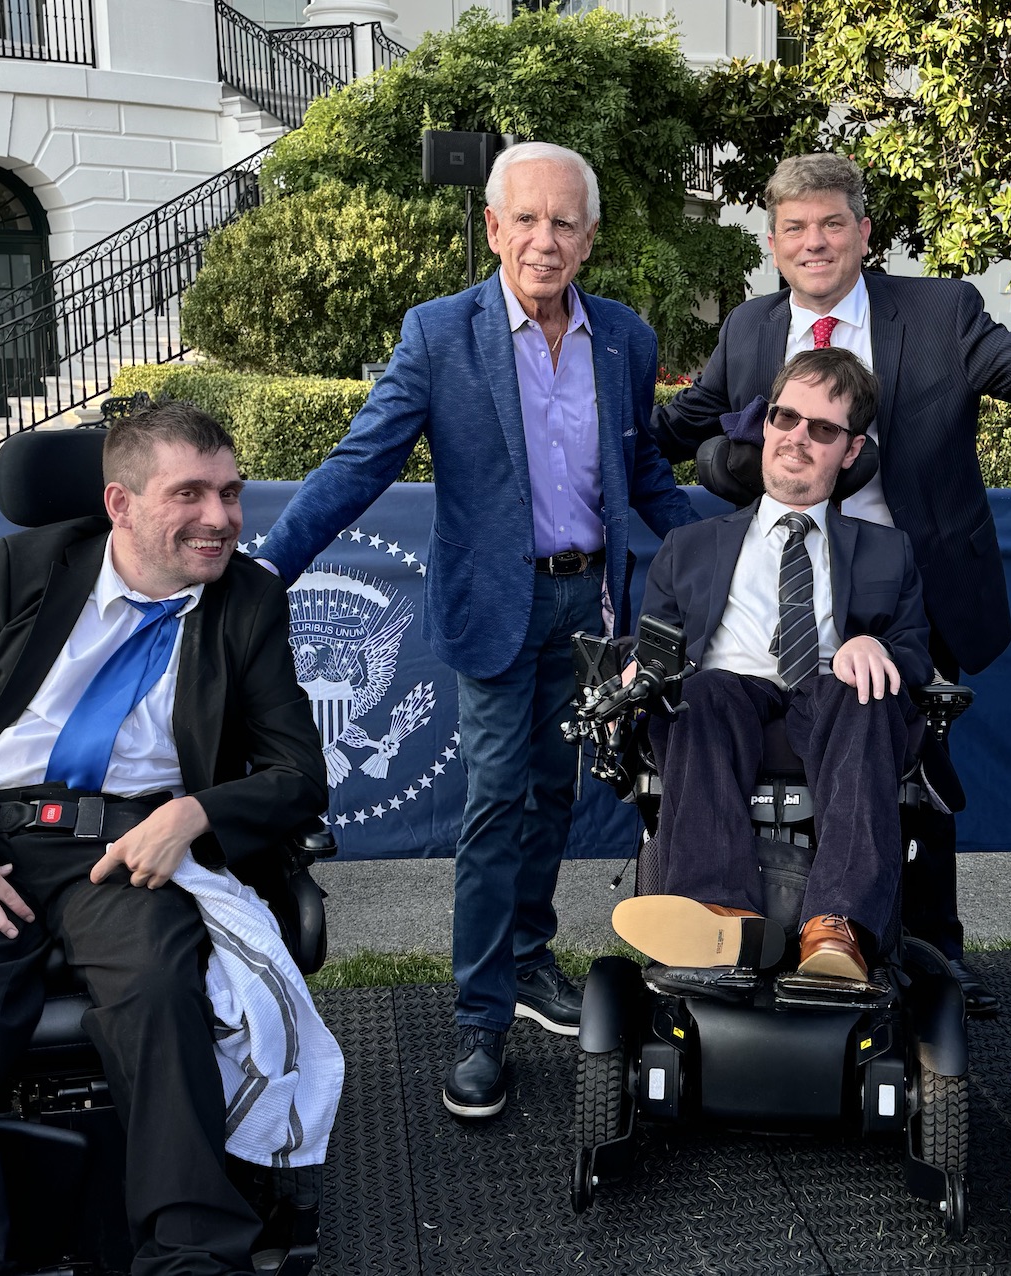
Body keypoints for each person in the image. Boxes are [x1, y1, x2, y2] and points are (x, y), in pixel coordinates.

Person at [653, 152, 1011, 1014]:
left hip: (898, 582)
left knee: (911, 766)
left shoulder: (936, 309)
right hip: (785, 568)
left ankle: (926, 953)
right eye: (796, 229)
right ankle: (730, 918)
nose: (815, 243)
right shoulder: (749, 328)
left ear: (862, 233)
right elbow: (691, 419)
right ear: (772, 243)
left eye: (832, 224)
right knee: (713, 711)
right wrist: (581, 444)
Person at [256, 141, 698, 1120]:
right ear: (494, 228)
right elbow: (360, 462)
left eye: (565, 222)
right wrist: (265, 566)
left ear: (591, 236)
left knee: (553, 795)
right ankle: (480, 1020)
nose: (545, 240)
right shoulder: (439, 333)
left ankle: (533, 962)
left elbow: (651, 485)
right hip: (498, 608)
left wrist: (752, 550)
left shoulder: (623, 336)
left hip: (594, 607)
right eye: (526, 220)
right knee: (497, 801)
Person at [0, 403, 329, 1276]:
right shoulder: (27, 567)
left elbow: (299, 773)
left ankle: (187, 1254)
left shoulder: (246, 600)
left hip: (131, 849)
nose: (221, 518)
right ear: (120, 503)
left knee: (156, 987)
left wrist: (195, 814)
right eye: (190, 494)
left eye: (230, 492)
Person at [612, 347, 929, 981]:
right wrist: (635, 668)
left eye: (824, 429)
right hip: (720, 710)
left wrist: (879, 648)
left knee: (860, 688)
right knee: (701, 693)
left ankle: (835, 929)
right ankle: (716, 914)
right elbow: (653, 644)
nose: (798, 438)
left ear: (851, 450)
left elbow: (916, 656)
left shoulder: (885, 552)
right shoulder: (690, 547)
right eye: (786, 418)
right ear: (764, 427)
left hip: (832, 710)